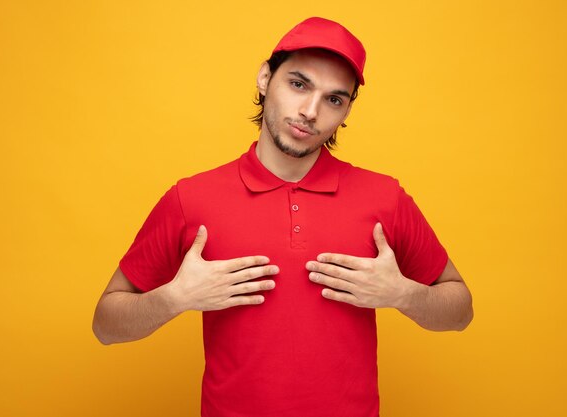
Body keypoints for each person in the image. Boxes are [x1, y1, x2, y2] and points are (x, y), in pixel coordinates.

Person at [93, 17, 473, 417]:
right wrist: (172, 299)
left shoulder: (385, 198)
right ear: (264, 78)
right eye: (298, 84)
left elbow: (460, 311)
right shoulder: (191, 199)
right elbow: (106, 325)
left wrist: (404, 294)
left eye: (334, 99)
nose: (310, 112)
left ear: (346, 111)